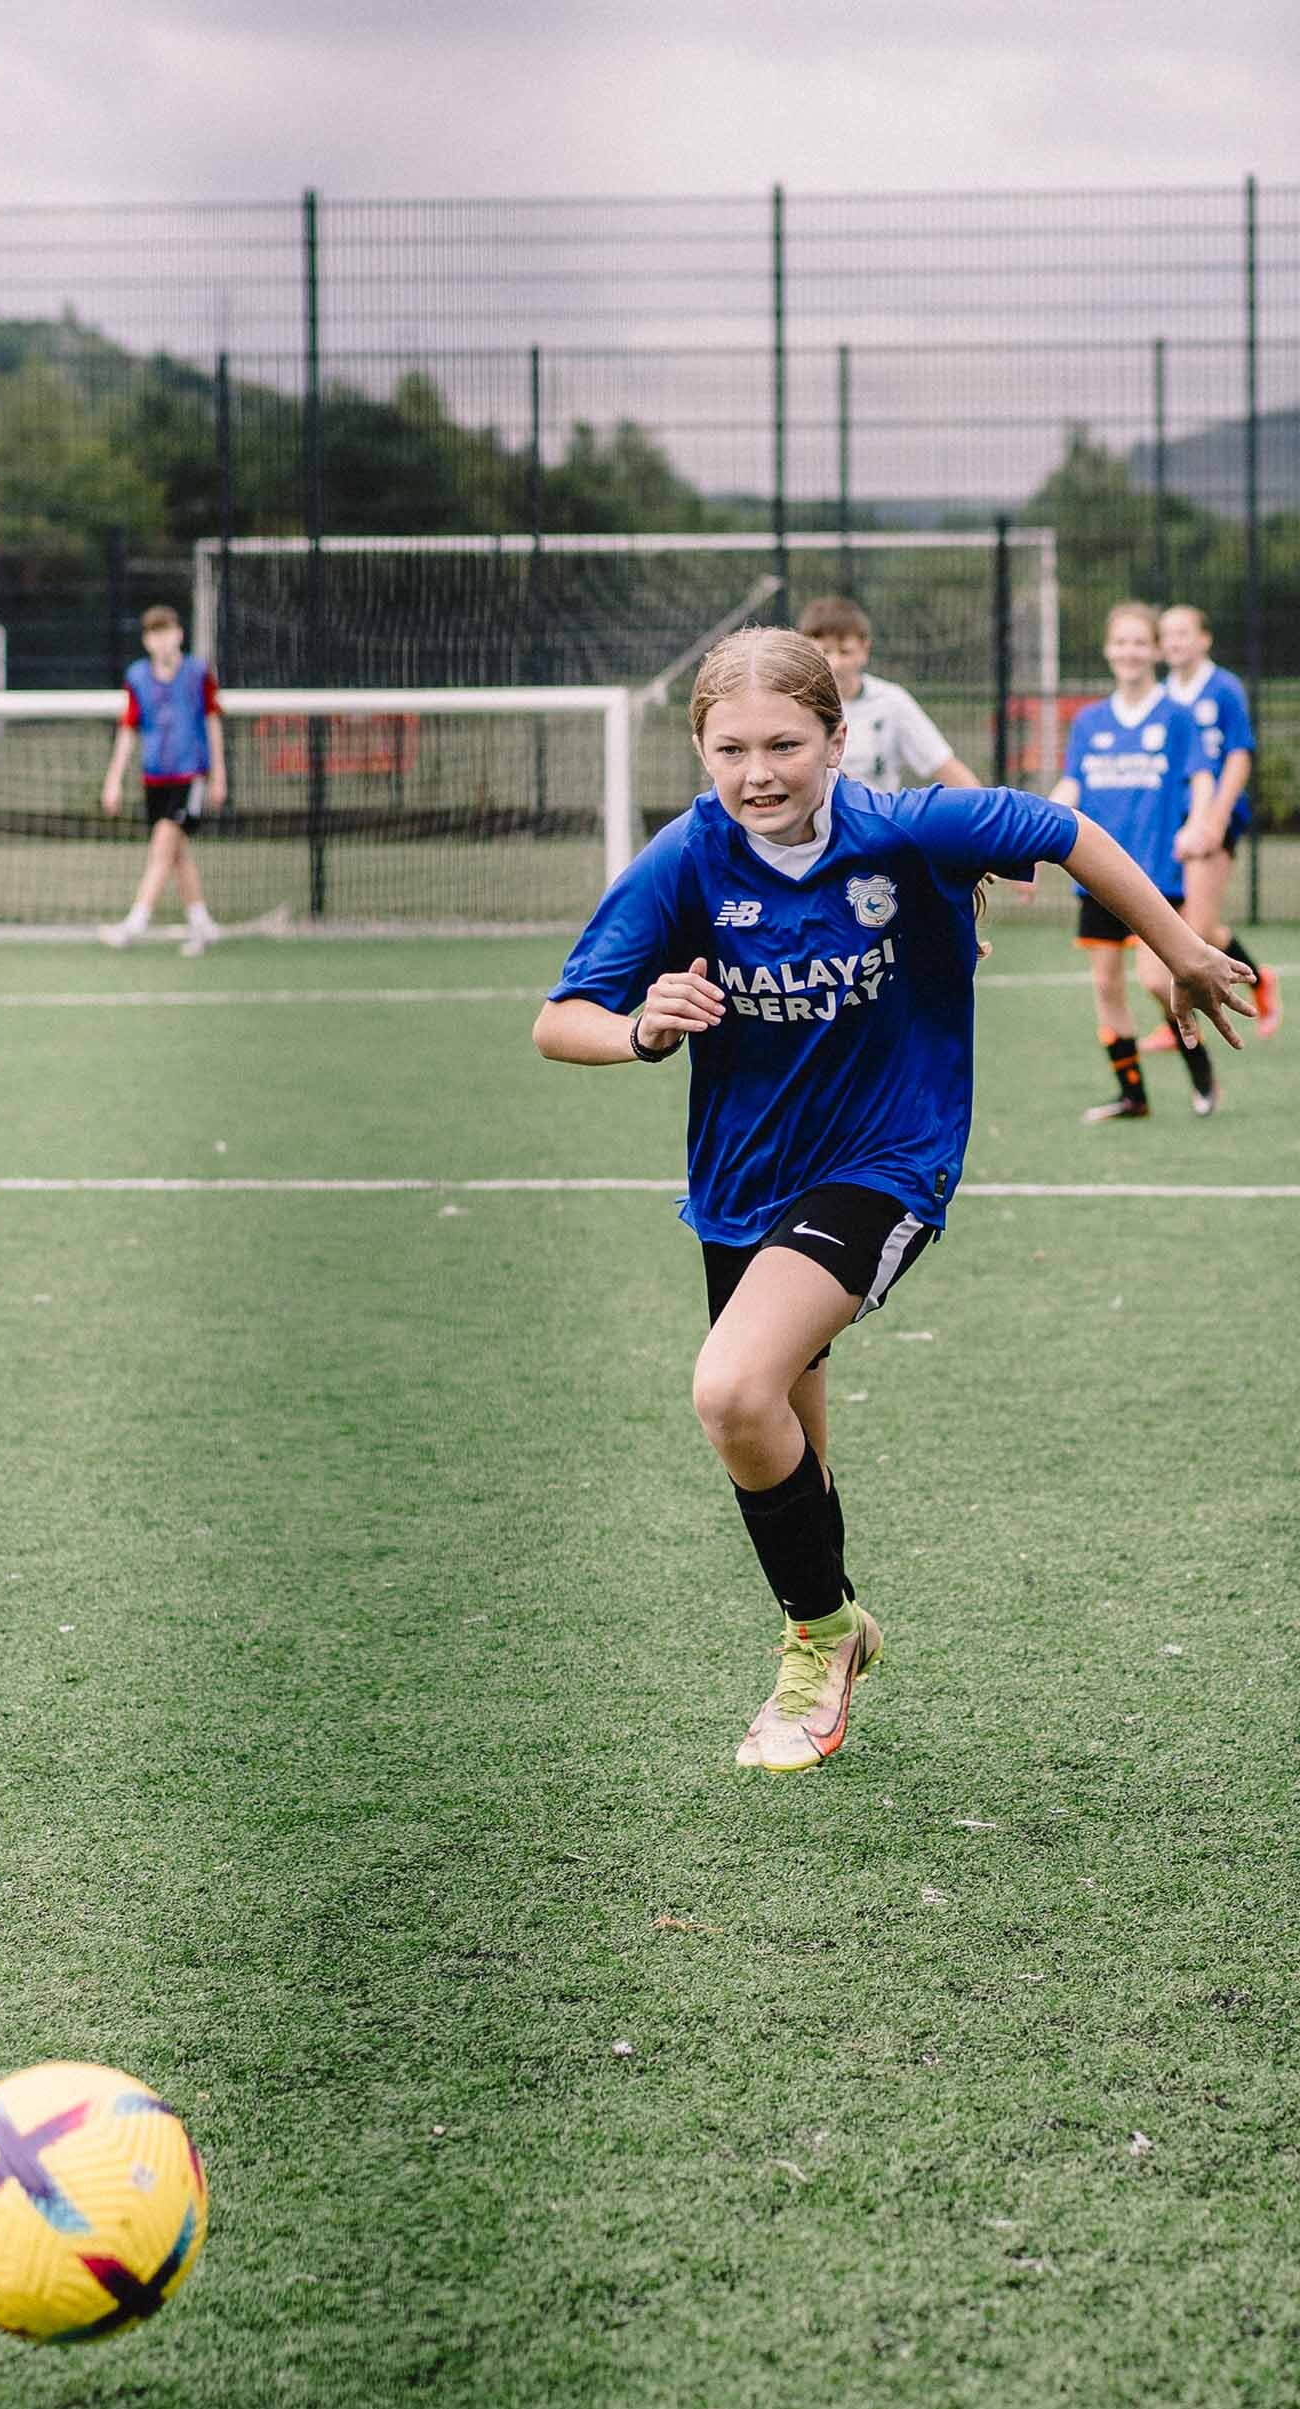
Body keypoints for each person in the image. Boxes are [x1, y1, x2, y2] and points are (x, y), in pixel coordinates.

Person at [534, 626, 1250, 1776]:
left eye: (785, 743)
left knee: (729, 1387)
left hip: (886, 1163)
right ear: (700, 749)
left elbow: (1066, 833)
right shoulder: (684, 859)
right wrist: (638, 1027)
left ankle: (814, 1650)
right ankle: (840, 1616)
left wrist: (1181, 948)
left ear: (837, 738)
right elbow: (557, 1020)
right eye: (731, 748)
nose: (758, 771)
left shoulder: (911, 829)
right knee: (783, 1445)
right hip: (741, 1189)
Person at [1048, 601, 1219, 1122]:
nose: (1129, 652)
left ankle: (1200, 1067)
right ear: (1107, 650)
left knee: (1154, 978)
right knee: (1106, 985)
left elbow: (1202, 775)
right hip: (1094, 877)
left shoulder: (1176, 717)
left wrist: (1200, 822)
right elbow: (1072, 783)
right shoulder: (1089, 722)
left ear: (1155, 650)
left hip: (1154, 874)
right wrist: (1037, 822)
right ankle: (1132, 1096)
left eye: (1139, 642)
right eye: (1120, 642)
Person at [1158, 602, 1279, 1037]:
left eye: (1183, 633)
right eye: (1167, 634)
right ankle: (1260, 979)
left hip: (1213, 817)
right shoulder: (1162, 695)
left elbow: (1238, 755)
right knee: (1187, 925)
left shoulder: (1223, 688)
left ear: (1204, 639)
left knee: (1194, 930)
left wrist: (1214, 819)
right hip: (1171, 821)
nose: (1174, 641)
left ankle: (1184, 1018)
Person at [99, 605, 227, 956]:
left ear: (179, 634)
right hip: (155, 777)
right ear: (146, 641)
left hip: (191, 775)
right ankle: (201, 923)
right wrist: (113, 780)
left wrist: (219, 775)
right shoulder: (138, 677)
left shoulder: (198, 674)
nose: (162, 639)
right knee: (177, 855)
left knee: (163, 846)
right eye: (154, 633)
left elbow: (213, 723)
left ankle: (135, 922)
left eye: (167, 631)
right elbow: (128, 731)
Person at [795, 595, 982, 796]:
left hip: (872, 824)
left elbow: (944, 765)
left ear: (864, 649)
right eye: (824, 652)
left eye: (845, 651)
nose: (835, 663)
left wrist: (989, 811)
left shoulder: (891, 701)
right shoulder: (793, 703)